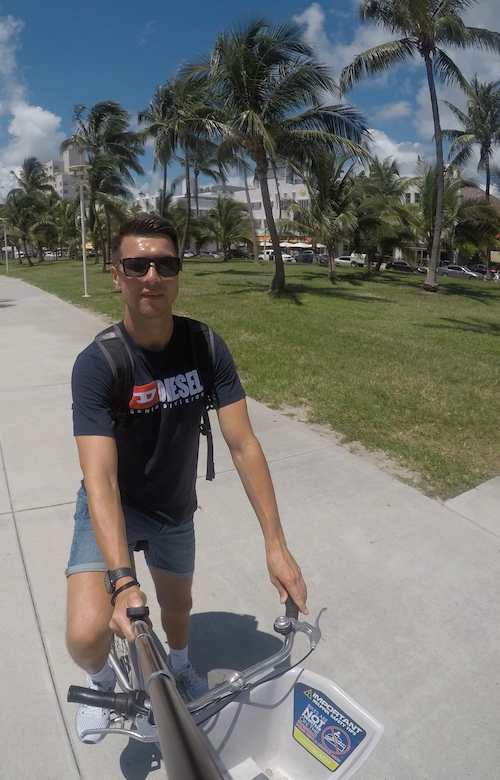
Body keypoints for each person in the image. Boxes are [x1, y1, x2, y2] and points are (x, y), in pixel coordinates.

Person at [66, 213, 309, 744]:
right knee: (85, 635)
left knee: (178, 610)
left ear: (178, 274)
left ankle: (180, 665)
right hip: (113, 506)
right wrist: (122, 581)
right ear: (117, 275)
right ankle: (102, 683)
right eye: (137, 265)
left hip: (174, 508)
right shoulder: (99, 363)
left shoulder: (205, 346)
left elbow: (243, 444)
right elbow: (99, 477)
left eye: (165, 264)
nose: (151, 276)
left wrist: (276, 545)